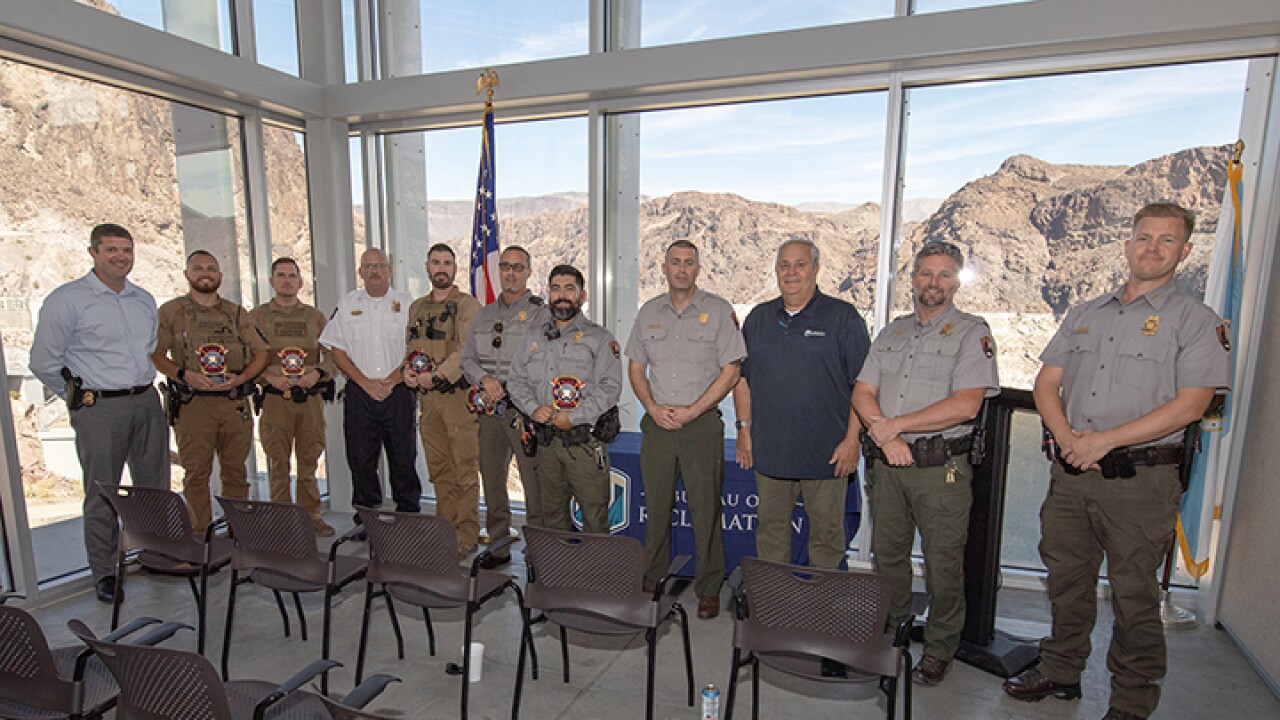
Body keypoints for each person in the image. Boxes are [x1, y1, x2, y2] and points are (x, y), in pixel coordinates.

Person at [1003, 203, 1231, 720]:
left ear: (1185, 251)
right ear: (1127, 245)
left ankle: (1131, 699)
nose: (1152, 248)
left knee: (1133, 593)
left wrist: (1102, 441)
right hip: (1072, 472)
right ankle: (1061, 670)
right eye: (1143, 237)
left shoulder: (1196, 322)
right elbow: (1047, 382)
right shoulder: (1086, 313)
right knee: (1066, 579)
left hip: (1140, 481)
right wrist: (1067, 438)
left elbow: (1192, 404)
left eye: (1166, 241)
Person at [852, 241, 999, 685]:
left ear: (956, 282)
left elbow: (966, 404)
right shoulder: (891, 333)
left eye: (944, 275)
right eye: (925, 273)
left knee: (942, 564)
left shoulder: (974, 333)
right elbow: (862, 391)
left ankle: (939, 648)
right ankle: (894, 629)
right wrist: (885, 432)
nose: (933, 282)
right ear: (912, 279)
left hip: (940, 471)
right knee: (889, 555)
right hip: (888, 467)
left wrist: (894, 427)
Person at [29, 223, 170, 603]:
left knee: (153, 487)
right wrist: (78, 399)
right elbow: (43, 362)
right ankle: (106, 573)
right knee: (103, 493)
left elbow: (149, 350)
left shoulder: (143, 299)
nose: (121, 257)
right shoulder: (67, 300)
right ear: (93, 253)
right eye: (111, 250)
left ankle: (155, 555)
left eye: (127, 249)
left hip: (145, 400)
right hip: (100, 408)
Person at [733, 238, 870, 569]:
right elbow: (742, 379)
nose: (791, 272)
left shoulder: (843, 317)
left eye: (800, 264)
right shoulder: (758, 318)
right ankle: (773, 610)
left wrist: (853, 440)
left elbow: (864, 386)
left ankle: (820, 615)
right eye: (784, 265)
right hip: (771, 453)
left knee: (825, 539)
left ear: (816, 269)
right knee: (771, 535)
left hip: (827, 454)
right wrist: (744, 431)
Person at [626, 240, 745, 619]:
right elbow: (635, 368)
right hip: (658, 425)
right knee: (656, 507)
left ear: (698, 269)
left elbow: (732, 371)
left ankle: (710, 588)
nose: (681, 269)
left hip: (701, 426)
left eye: (688, 263)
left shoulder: (719, 310)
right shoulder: (648, 313)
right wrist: (651, 408)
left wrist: (693, 411)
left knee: (705, 509)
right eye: (675, 262)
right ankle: (652, 579)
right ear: (663, 267)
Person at [152, 250, 270, 535]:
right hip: (193, 405)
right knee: (196, 475)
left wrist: (241, 377)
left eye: (211, 268)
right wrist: (185, 375)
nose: (205, 273)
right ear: (187, 274)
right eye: (198, 268)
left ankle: (238, 535)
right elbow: (155, 353)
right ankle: (199, 537)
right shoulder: (171, 312)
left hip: (233, 404)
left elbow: (263, 352)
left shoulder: (236, 313)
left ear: (220, 275)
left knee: (236, 474)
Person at [508, 264, 622, 534]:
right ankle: (560, 575)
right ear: (548, 293)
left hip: (583, 443)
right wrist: (533, 409)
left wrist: (573, 417)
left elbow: (610, 387)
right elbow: (516, 380)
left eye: (569, 289)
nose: (562, 295)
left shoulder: (600, 339)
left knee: (594, 518)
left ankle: (595, 577)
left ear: (582, 296)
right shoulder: (533, 338)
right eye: (555, 288)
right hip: (546, 444)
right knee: (552, 518)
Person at [460, 246, 549, 567]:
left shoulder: (542, 314)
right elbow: (467, 359)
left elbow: (546, 362)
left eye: (518, 267)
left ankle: (539, 553)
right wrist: (483, 378)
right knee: (493, 480)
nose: (511, 273)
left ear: (528, 271)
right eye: (506, 267)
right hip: (489, 413)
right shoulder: (484, 315)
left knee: (533, 483)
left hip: (524, 414)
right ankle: (498, 545)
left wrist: (510, 386)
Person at [319, 248, 422, 519]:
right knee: (361, 459)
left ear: (390, 270)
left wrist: (393, 380)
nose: (374, 271)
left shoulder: (408, 304)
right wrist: (365, 382)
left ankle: (408, 514)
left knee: (403, 457)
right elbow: (336, 350)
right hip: (359, 393)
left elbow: (417, 348)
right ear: (361, 272)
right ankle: (365, 518)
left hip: (398, 391)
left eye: (379, 266)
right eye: (368, 266)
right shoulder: (347, 304)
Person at [404, 244, 482, 558]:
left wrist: (435, 376)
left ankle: (466, 534)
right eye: (436, 262)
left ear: (455, 268)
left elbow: (465, 350)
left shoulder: (467, 305)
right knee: (439, 468)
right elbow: (411, 347)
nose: (441, 268)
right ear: (427, 267)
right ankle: (445, 529)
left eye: (447, 263)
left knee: (464, 468)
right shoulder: (417, 308)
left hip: (456, 398)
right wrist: (407, 372)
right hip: (428, 402)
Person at [250, 258, 337, 537]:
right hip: (276, 399)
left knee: (310, 460)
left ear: (300, 282)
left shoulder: (315, 317)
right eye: (281, 275)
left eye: (292, 276)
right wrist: (268, 377)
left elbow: (334, 355)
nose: (287, 281)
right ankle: (281, 517)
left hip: (310, 400)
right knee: (278, 461)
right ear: (272, 281)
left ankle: (311, 514)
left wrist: (320, 373)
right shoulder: (258, 317)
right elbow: (247, 358)